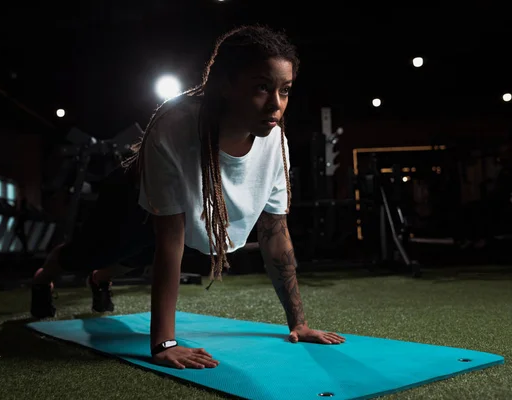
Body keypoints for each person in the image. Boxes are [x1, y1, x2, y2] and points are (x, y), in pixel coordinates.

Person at [30, 24, 346, 371]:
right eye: (261, 87)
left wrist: (297, 323)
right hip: (129, 199)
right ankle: (43, 277)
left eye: (284, 90)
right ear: (226, 84)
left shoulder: (276, 144)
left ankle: (101, 278)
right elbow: (170, 238)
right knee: (87, 253)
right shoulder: (175, 125)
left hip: (181, 218)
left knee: (137, 256)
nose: (276, 104)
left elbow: (275, 235)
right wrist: (165, 343)